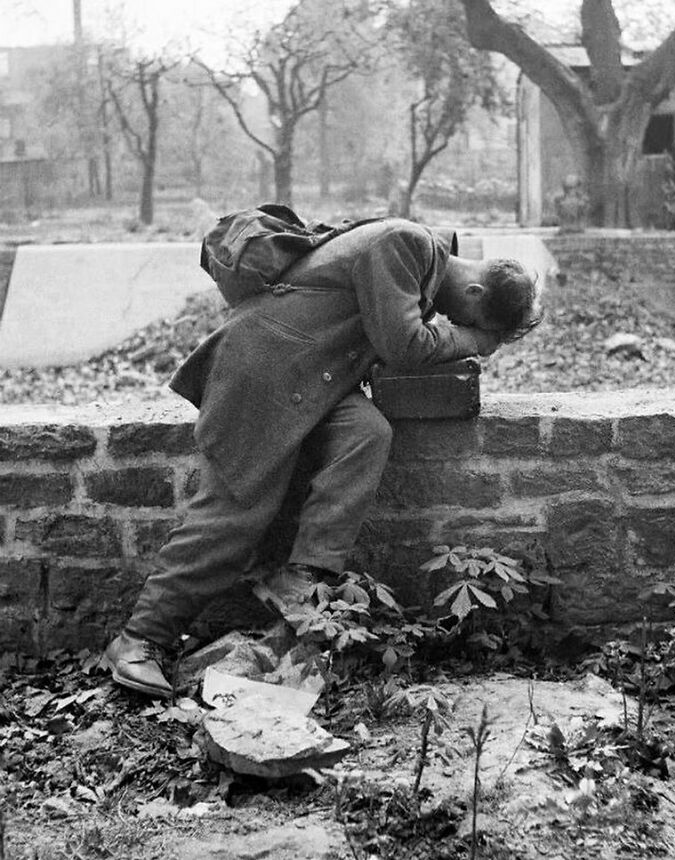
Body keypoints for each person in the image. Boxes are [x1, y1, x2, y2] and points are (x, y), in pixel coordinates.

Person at [104, 217, 543, 697]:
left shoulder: (422, 262)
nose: (456, 327)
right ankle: (138, 640)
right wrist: (474, 342)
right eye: (469, 321)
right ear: (476, 291)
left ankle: (301, 576)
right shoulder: (406, 245)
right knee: (235, 515)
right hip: (264, 370)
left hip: (314, 378)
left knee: (366, 433)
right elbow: (404, 344)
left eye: (465, 329)